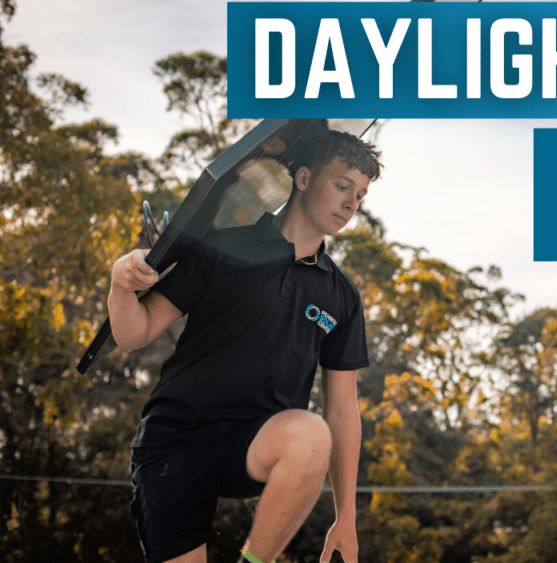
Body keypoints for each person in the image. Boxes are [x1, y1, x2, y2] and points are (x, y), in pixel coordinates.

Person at [108, 129, 381, 563]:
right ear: (304, 178)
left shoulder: (341, 295)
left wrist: (345, 516)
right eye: (342, 186)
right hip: (174, 443)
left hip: (254, 442)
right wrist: (122, 282)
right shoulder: (223, 247)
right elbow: (133, 333)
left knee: (311, 434)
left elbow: (343, 411)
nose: (351, 204)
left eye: (361, 195)